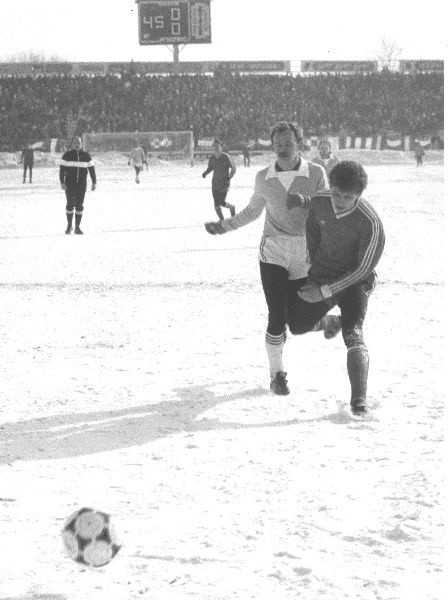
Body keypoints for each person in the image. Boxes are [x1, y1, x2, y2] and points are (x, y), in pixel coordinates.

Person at [204, 121, 328, 395]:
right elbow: (252, 211)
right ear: (272, 146)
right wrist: (223, 227)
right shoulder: (263, 177)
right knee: (276, 315)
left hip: (304, 253)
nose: (283, 148)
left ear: (299, 144)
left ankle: (327, 322)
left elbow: (327, 207)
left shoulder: (316, 173)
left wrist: (312, 214)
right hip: (272, 251)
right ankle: (277, 375)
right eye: (279, 144)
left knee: (297, 321)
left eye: (289, 143)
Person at [286, 161, 385, 415]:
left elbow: (363, 270)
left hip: (355, 282)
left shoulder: (370, 223)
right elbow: (312, 226)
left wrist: (325, 291)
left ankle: (359, 403)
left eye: (347, 197)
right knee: (296, 324)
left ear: (359, 195)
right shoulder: (321, 201)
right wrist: (314, 267)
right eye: (335, 193)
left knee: (352, 333)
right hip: (323, 275)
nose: (339, 200)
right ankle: (331, 322)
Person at [59, 136, 96, 235]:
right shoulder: (66, 155)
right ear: (72, 144)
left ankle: (77, 227)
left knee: (79, 206)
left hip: (81, 185)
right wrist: (62, 182)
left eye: (79, 143)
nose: (77, 145)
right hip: (69, 184)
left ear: (82, 144)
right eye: (75, 143)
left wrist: (94, 182)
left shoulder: (86, 156)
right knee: (70, 204)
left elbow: (92, 170)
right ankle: (69, 225)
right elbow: (62, 170)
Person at [202, 139, 236, 220]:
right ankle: (221, 220)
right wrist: (205, 173)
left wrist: (229, 177)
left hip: (224, 183)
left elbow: (233, 168)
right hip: (215, 183)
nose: (216, 148)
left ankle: (232, 207)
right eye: (214, 146)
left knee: (221, 202)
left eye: (217, 146)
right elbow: (211, 167)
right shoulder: (212, 158)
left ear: (221, 147)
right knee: (216, 203)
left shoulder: (225, 157)